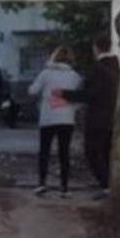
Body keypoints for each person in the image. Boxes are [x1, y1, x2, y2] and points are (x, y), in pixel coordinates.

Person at [59, 34, 120, 199]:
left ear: (96, 48)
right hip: (114, 118)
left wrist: (65, 94)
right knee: (106, 152)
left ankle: (106, 185)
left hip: (98, 118)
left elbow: (89, 94)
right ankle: (109, 184)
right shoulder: (117, 66)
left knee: (92, 152)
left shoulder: (98, 69)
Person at [28, 46, 82, 197]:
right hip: (67, 118)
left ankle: (41, 183)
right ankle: (64, 187)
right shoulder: (75, 76)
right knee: (64, 153)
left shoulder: (46, 73)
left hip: (48, 118)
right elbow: (79, 97)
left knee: (44, 151)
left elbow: (32, 90)